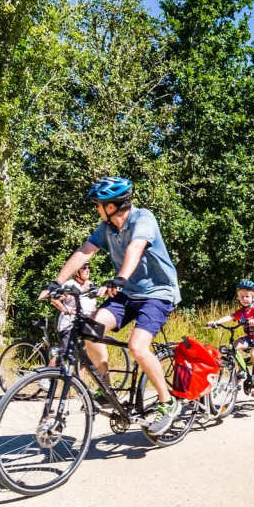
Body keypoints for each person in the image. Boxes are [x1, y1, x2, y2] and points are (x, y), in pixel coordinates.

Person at [39, 177, 181, 435]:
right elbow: (85, 251)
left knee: (137, 347)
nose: (96, 209)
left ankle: (167, 402)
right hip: (127, 294)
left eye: (99, 205)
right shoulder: (106, 228)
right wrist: (56, 282)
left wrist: (120, 279)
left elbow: (135, 249)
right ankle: (106, 389)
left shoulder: (143, 219)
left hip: (157, 294)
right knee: (90, 329)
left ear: (112, 205)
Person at [207, 280, 254, 398]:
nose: (244, 299)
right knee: (233, 347)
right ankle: (241, 371)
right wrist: (216, 322)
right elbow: (230, 317)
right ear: (238, 298)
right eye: (242, 296)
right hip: (249, 338)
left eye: (247, 296)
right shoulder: (241, 311)